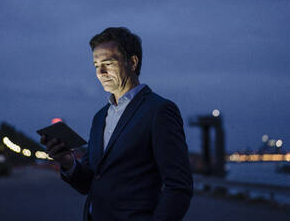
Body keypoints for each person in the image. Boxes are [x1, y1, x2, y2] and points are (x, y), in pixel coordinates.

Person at [40, 27, 193, 221]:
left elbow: (179, 187)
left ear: (132, 62)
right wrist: (68, 162)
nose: (100, 72)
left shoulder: (159, 110)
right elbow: (89, 183)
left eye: (108, 63)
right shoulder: (99, 117)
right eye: (96, 65)